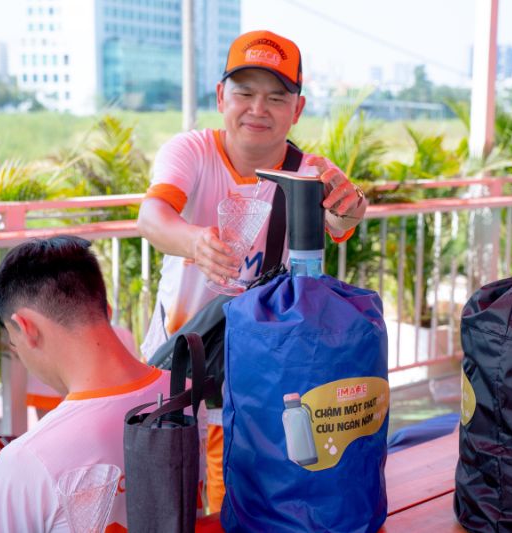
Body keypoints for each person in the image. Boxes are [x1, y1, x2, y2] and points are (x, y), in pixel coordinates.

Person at [136, 29, 368, 512]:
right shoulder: (192, 152)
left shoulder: (311, 172)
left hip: (258, 365)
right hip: (182, 356)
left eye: (276, 97)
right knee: (172, 489)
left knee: (238, 493)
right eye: (244, 94)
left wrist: (349, 209)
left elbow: (341, 219)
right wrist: (194, 242)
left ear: (297, 109)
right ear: (222, 97)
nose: (258, 110)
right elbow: (151, 218)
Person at [0, 236, 170, 532]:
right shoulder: (186, 394)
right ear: (106, 308)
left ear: (26, 328)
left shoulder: (27, 459)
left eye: (15, 344)